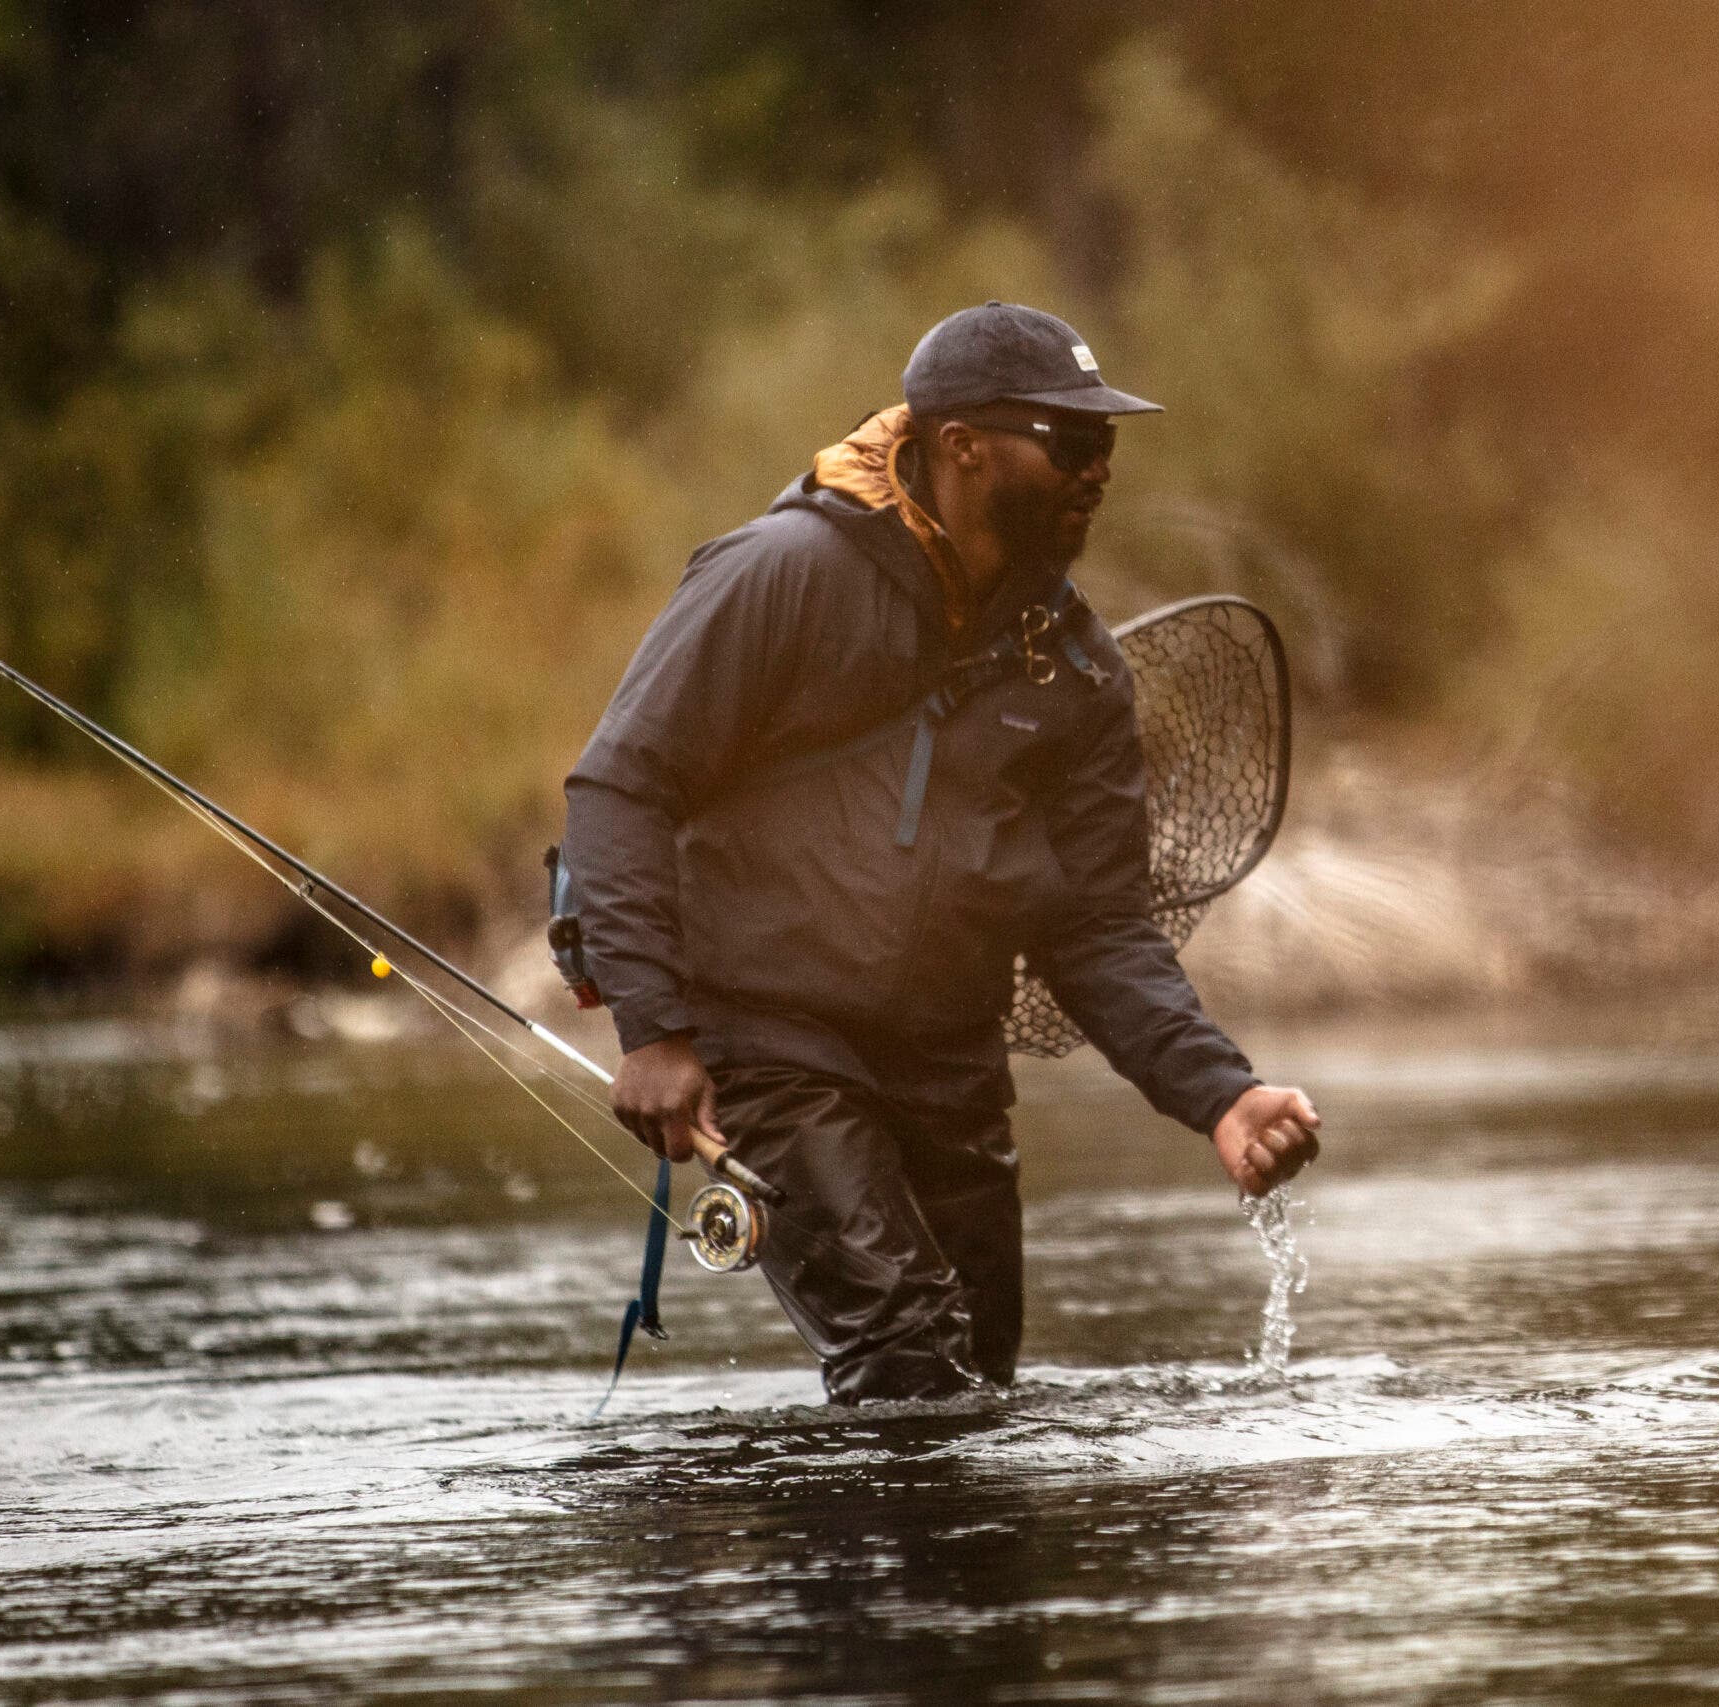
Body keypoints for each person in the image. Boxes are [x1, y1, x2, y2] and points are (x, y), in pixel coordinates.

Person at [560, 303, 1319, 1403]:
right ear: (963, 446)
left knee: (980, 1383)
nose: (1099, 466)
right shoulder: (780, 573)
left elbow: (1099, 930)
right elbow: (620, 784)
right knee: (909, 1357)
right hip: (769, 1046)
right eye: (1072, 439)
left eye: (1107, 439)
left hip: (951, 1068)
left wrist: (1220, 1095)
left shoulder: (1077, 669)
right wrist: (655, 1032)